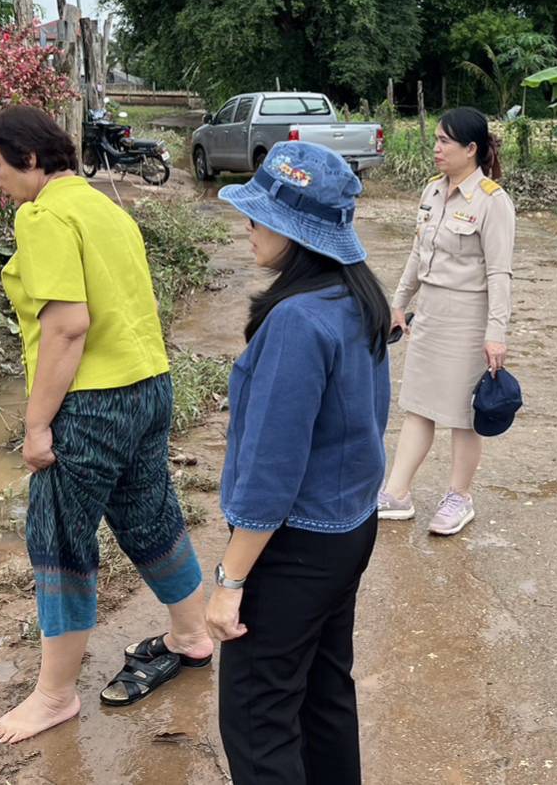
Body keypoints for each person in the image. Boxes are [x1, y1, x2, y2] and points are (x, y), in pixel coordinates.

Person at [0, 106, 211, 745]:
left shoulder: (44, 214)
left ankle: (53, 696)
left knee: (59, 540)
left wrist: (36, 426)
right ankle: (191, 635)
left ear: (29, 159)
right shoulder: (106, 205)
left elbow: (67, 325)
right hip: (149, 385)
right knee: (150, 512)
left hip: (91, 403)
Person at [205, 141, 391, 784]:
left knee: (258, 719)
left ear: (294, 230)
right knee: (322, 694)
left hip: (296, 545)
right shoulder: (357, 298)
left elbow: (270, 471)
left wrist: (229, 583)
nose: (248, 227)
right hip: (349, 527)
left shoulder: (296, 322)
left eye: (259, 217)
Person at [379, 107, 516, 537]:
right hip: (432, 316)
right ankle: (396, 493)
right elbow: (417, 256)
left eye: (445, 142)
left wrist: (496, 333)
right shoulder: (431, 193)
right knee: (418, 405)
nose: (436, 149)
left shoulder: (493, 201)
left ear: (471, 149)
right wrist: (398, 304)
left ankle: (459, 496)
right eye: (436, 140)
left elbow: (499, 273)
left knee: (462, 414)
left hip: (468, 320)